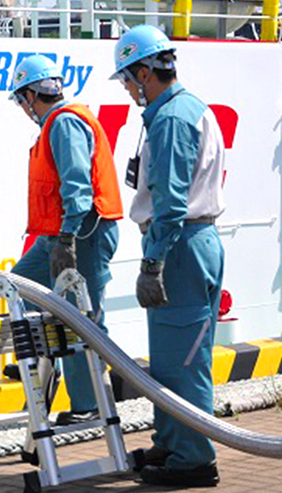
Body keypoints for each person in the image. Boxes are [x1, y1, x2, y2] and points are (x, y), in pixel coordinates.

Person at [112, 24, 225, 487]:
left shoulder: (172, 120)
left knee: (183, 362)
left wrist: (152, 262)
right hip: (188, 243)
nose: (126, 89)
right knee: (171, 359)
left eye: (126, 79)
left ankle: (194, 460)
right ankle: (172, 442)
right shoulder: (183, 109)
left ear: (144, 73)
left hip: (178, 247)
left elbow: (172, 203)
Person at [7, 55, 123, 426]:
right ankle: (46, 356)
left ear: (31, 95)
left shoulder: (64, 123)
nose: (22, 109)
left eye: (21, 100)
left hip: (81, 234)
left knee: (80, 319)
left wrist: (68, 238)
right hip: (59, 235)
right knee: (18, 286)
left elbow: (77, 186)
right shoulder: (58, 123)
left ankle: (89, 404)